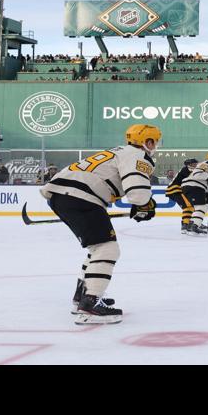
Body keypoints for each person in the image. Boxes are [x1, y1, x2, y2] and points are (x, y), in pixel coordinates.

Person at [39, 123, 160, 323]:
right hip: (82, 196)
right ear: (147, 141)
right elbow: (137, 191)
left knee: (97, 249)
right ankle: (90, 304)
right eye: (154, 141)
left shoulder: (117, 151)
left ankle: (83, 296)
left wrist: (138, 203)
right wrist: (144, 204)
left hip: (64, 194)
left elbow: (107, 179)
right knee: (107, 249)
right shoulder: (138, 155)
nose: (155, 146)